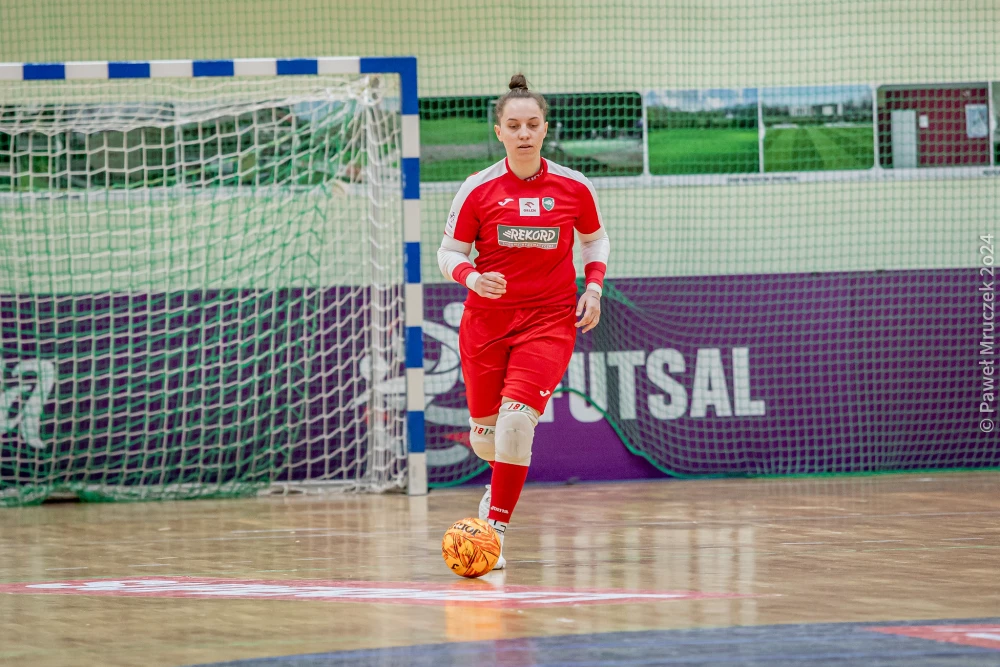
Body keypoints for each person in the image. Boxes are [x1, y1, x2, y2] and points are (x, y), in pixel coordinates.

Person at [437, 73, 611, 569]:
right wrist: (473, 277)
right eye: (514, 126)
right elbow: (448, 253)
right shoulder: (477, 189)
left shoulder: (574, 186)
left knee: (517, 421)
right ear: (499, 132)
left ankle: (493, 531)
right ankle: (499, 487)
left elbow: (594, 240)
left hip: (549, 320)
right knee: (486, 439)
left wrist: (593, 287)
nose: (524, 133)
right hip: (486, 324)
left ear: (545, 128)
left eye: (533, 124)